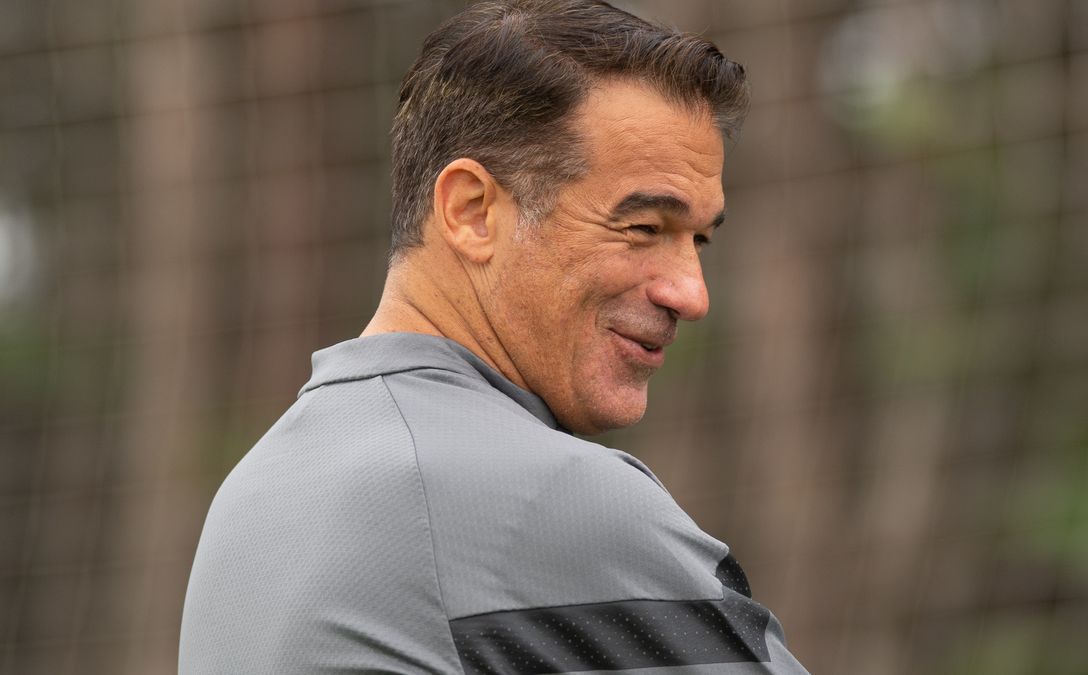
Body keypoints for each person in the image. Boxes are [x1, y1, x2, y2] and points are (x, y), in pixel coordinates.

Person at [180, 1, 809, 673]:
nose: (691, 292)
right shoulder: (549, 498)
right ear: (473, 211)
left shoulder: (254, 494)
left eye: (699, 240)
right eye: (644, 228)